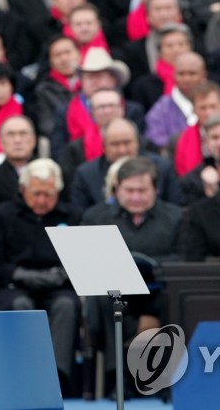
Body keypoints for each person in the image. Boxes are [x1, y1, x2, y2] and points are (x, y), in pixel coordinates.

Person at [80, 157, 182, 395]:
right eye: (129, 190)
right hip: (115, 292)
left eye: (143, 190)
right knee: (102, 298)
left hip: (158, 291)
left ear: (156, 189)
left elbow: (185, 256)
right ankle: (120, 377)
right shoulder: (95, 217)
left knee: (175, 298)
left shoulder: (176, 217)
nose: (136, 197)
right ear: (116, 189)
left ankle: (162, 379)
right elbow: (88, 262)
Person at [0, 158, 81, 393]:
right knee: (22, 305)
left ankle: (56, 380)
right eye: (36, 194)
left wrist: (60, 275)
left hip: (59, 285)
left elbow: (82, 261)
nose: (42, 201)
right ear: (22, 189)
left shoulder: (73, 215)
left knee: (66, 305)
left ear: (58, 192)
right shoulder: (0, 215)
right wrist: (20, 274)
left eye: (48, 195)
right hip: (13, 286)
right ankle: (22, 377)